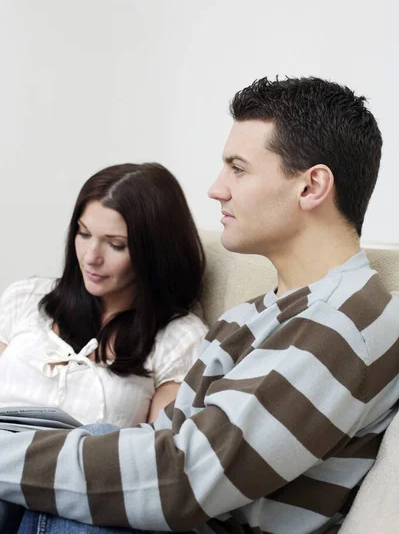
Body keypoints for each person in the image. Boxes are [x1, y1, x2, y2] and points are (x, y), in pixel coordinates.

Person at [1, 76, 399, 534]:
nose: (216, 189)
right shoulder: (247, 317)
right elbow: (158, 445)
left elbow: (178, 482)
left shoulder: (347, 323)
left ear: (311, 187)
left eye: (238, 168)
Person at [0, 162, 207, 532]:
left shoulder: (180, 339)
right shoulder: (26, 298)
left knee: (92, 475)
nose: (91, 257)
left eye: (116, 245)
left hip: (73, 497)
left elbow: (160, 460)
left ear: (153, 251)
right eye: (83, 234)